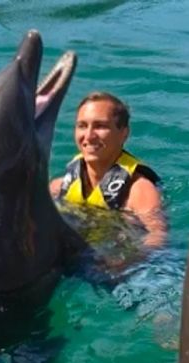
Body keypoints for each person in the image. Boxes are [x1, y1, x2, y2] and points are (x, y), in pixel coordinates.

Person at [50, 91, 166, 247]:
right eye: (82, 126)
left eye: (100, 126)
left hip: (118, 264)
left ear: (124, 133)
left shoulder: (139, 191)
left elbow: (157, 239)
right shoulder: (58, 186)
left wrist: (122, 266)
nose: (89, 136)